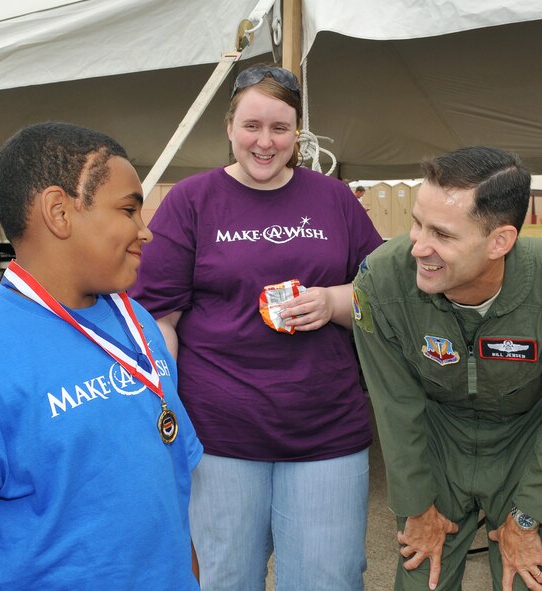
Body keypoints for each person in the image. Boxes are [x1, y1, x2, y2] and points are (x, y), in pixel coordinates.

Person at [0, 122, 203, 590]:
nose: (145, 232)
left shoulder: (137, 322)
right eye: (129, 210)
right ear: (59, 212)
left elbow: (168, 494)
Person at [129, 64, 383, 590]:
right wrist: (166, 407)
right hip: (220, 430)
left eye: (280, 129)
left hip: (326, 427)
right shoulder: (191, 200)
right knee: (225, 578)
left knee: (328, 579)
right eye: (252, 126)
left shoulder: (332, 198)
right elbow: (159, 315)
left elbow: (383, 291)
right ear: (228, 127)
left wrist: (335, 301)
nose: (265, 142)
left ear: (298, 133)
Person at [352, 146, 542, 591]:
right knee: (421, 581)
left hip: (528, 441)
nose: (418, 246)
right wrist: (416, 505)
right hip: (436, 437)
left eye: (442, 234)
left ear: (500, 241)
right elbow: (395, 404)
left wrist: (531, 513)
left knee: (529, 580)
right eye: (417, 222)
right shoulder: (381, 282)